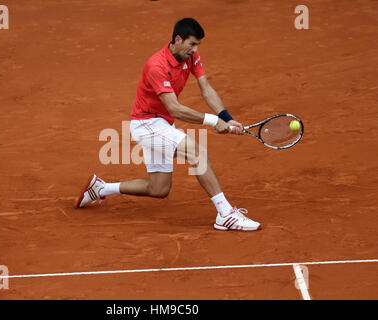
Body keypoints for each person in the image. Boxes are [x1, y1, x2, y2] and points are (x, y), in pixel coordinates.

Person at [76, 18, 260, 231]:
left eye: (198, 45)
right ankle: (225, 214)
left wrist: (226, 118)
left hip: (162, 125)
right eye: (192, 44)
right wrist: (213, 121)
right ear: (178, 39)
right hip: (147, 124)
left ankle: (101, 188)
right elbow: (174, 108)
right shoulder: (156, 66)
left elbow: (206, 89)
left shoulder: (190, 57)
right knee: (196, 153)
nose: (195, 49)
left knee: (159, 188)